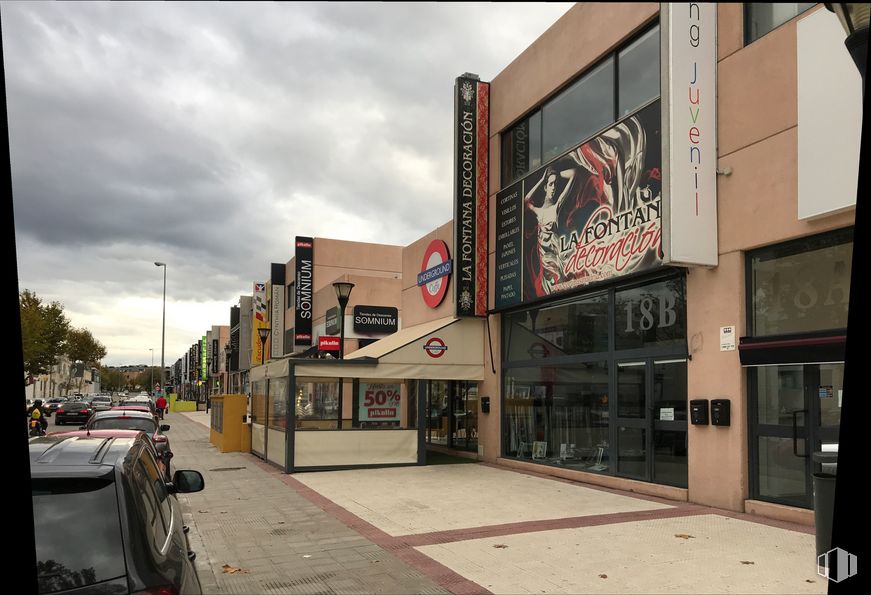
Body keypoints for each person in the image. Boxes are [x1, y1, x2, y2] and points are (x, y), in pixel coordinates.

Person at [524, 164, 577, 296]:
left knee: (559, 284)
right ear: (545, 187)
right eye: (551, 184)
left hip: (555, 256)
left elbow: (573, 173)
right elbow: (525, 200)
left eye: (556, 184)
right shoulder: (538, 211)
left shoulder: (556, 207)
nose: (553, 188)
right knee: (548, 288)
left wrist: (556, 175)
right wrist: (543, 179)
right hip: (544, 259)